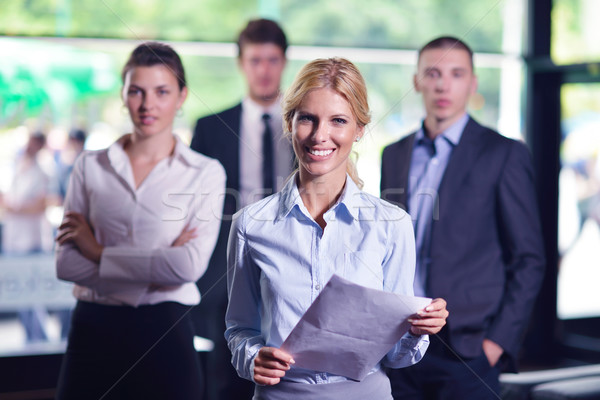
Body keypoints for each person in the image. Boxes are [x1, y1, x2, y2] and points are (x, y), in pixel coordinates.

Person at [226, 57, 449, 400]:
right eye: (307, 119)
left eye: (338, 121)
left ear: (359, 129)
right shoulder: (251, 225)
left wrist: (419, 330)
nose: (320, 135)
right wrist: (253, 357)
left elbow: (398, 356)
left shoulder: (392, 226)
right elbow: (240, 328)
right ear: (290, 123)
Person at [55, 41, 225, 399]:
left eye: (162, 91)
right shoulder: (90, 166)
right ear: (124, 94)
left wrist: (99, 251)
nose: (148, 105)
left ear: (181, 97)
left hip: (165, 330)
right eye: (137, 91)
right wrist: (157, 265)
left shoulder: (205, 173)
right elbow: (67, 263)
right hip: (93, 328)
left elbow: (187, 267)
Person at [380, 36, 546, 399]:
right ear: (417, 81)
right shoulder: (393, 154)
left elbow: (529, 259)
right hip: (401, 341)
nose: (443, 84)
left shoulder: (503, 154)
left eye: (456, 74)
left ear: (472, 83)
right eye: (433, 73)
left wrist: (497, 343)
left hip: (468, 350)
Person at [190, 18, 294, 400]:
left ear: (283, 62)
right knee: (225, 382)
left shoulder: (305, 125)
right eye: (255, 60)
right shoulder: (210, 127)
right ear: (241, 63)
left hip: (291, 269)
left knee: (288, 377)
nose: (263, 70)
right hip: (226, 277)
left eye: (271, 60)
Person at [1, 131, 54, 343]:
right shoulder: (16, 167)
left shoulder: (43, 172)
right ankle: (33, 339)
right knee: (21, 297)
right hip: (15, 240)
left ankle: (39, 341)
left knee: (33, 296)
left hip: (33, 241)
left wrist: (14, 208)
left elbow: (40, 205)